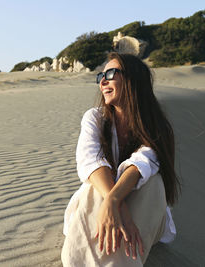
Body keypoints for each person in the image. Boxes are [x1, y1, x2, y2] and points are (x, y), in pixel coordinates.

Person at [61, 52, 181, 267]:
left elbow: (143, 163)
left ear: (133, 79)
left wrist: (115, 201)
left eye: (111, 73)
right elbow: (89, 160)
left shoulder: (156, 127)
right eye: (101, 76)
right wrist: (114, 203)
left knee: (154, 182)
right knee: (95, 184)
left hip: (144, 207)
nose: (103, 81)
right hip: (102, 208)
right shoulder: (95, 118)